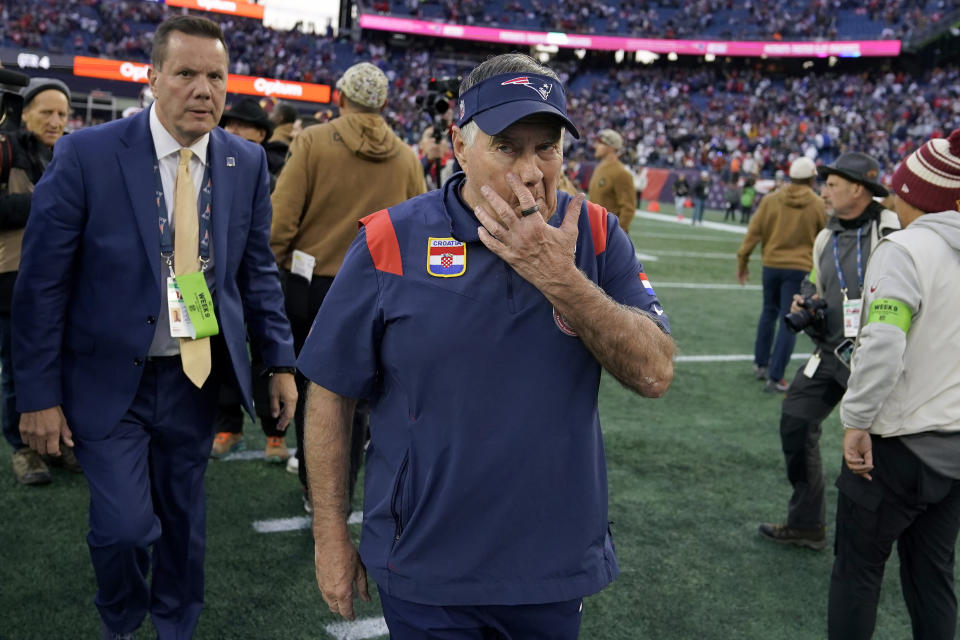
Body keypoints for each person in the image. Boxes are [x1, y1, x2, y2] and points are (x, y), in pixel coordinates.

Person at [298, 53, 675, 636]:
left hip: (551, 566)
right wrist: (330, 535)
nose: (531, 170)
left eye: (545, 148)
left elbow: (654, 372)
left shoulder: (595, 234)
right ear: (459, 143)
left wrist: (560, 277)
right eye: (507, 146)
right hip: (426, 563)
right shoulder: (391, 239)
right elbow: (329, 391)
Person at [11, 16, 297, 640]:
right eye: (187, 74)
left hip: (195, 377)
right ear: (153, 78)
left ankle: (175, 626)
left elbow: (257, 275)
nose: (204, 89)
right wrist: (37, 396)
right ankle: (120, 618)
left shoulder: (245, 161)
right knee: (125, 528)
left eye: (216, 76)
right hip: (108, 378)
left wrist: (278, 361)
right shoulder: (87, 154)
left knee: (183, 520)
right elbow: (41, 287)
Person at [270, 61, 425, 511]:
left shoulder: (313, 141)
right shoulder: (406, 156)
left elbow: (283, 218)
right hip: (381, 288)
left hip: (313, 284)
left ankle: (314, 492)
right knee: (359, 401)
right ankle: (346, 490)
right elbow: (418, 226)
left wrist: (275, 267)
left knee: (312, 391)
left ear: (340, 98)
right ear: (382, 104)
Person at [828, 130, 960, 640]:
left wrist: (856, 420)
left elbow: (882, 344)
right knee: (934, 577)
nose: (893, 201)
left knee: (857, 573)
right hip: (954, 449)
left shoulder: (904, 249)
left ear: (919, 194)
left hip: (899, 447)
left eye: (899, 192)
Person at [758, 152, 899, 550]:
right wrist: (806, 301)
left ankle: (875, 540)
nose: (824, 191)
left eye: (833, 184)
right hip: (831, 351)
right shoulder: (826, 235)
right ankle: (807, 523)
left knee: (880, 451)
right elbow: (815, 283)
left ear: (858, 189)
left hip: (875, 356)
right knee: (796, 420)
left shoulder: (891, 231)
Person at [0, 77, 80, 485]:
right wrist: (46, 204)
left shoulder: (64, 156)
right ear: (25, 111)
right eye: (46, 112)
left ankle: (58, 441)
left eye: (63, 114)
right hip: (10, 279)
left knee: (61, 363)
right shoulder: (5, 148)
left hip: (58, 280)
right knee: (18, 367)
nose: (55, 120)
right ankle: (24, 449)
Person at [213, 97, 290, 462]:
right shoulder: (216, 164)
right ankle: (228, 425)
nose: (231, 131)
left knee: (266, 355)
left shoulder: (273, 168)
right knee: (221, 352)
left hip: (262, 277)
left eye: (241, 125)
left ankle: (274, 432)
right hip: (221, 280)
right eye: (228, 125)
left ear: (260, 134)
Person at [736, 157, 827, 392]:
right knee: (790, 320)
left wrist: (743, 261)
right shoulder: (817, 205)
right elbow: (825, 241)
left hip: (771, 265)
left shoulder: (771, 200)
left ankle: (761, 364)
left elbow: (753, 233)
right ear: (811, 179)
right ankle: (776, 377)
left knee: (768, 313)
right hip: (798, 269)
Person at [219, 97, 287, 190]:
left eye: (242, 125)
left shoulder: (277, 165)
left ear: (262, 134)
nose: (233, 130)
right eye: (229, 124)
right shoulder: (213, 156)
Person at [587, 128, 636, 233]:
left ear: (611, 147)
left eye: (600, 143)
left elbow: (628, 209)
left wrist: (615, 235)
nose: (595, 146)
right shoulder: (599, 168)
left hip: (608, 239)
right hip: (595, 233)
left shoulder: (621, 173)